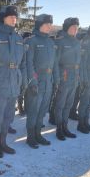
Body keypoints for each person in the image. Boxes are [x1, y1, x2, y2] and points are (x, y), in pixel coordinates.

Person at [0, 5, 27, 158]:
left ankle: (3, 141)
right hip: (0, 82)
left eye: (15, 17)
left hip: (14, 81)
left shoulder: (19, 38)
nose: (14, 19)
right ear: (3, 18)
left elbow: (22, 63)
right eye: (11, 17)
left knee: (9, 115)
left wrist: (22, 81)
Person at [25, 14, 59, 148]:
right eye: (47, 24)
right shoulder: (31, 41)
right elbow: (29, 63)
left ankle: (38, 134)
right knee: (33, 110)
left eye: (50, 24)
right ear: (39, 25)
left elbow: (55, 63)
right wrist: (32, 82)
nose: (49, 27)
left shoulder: (51, 42)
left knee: (43, 110)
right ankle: (31, 136)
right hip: (37, 80)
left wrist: (56, 80)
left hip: (48, 81)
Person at [54, 17, 81, 140]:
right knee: (60, 104)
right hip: (64, 74)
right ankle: (59, 128)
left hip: (74, 75)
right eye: (73, 27)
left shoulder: (76, 42)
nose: (75, 30)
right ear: (67, 28)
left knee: (69, 104)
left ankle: (65, 126)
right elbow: (56, 62)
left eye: (77, 28)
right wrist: (59, 77)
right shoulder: (60, 41)